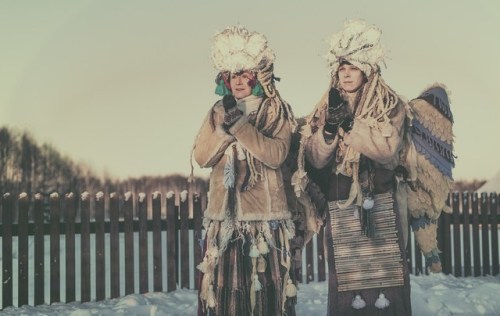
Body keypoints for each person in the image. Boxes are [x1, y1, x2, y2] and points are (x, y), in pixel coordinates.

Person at [293, 20, 412, 315]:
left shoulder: (389, 104)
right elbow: (315, 159)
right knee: (346, 286)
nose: (346, 74)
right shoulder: (325, 107)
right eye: (342, 68)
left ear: (368, 69)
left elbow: (386, 150)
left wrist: (350, 124)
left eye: (353, 67)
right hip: (341, 205)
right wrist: (330, 131)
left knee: (387, 283)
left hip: (381, 203)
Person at [192, 25, 299, 316]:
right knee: (226, 294)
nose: (238, 81)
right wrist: (224, 131)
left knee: (262, 294)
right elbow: (202, 157)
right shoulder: (216, 110)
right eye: (231, 75)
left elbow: (276, 155)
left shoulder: (275, 109)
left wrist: (241, 126)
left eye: (244, 74)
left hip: (263, 220)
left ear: (256, 76)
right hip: (224, 219)